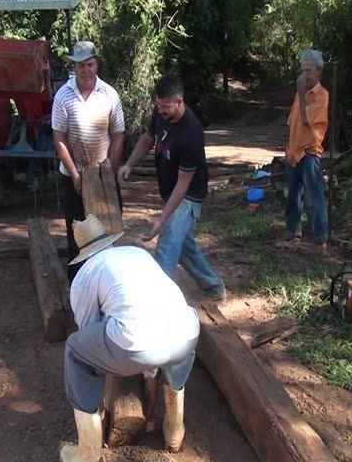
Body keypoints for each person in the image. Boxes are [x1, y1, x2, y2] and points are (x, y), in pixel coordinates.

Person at [60, 215, 199, 461]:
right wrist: (150, 379)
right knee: (176, 328)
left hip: (138, 344)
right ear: (110, 242)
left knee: (74, 349)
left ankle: (87, 452)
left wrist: (100, 401)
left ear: (84, 252)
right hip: (186, 333)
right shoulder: (138, 254)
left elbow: (88, 336)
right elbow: (151, 320)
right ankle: (174, 430)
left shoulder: (86, 273)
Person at [118, 75, 225, 300]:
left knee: (166, 246)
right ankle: (214, 287)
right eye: (158, 105)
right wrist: (129, 164)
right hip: (171, 191)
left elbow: (183, 184)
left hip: (189, 195)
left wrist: (162, 219)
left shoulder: (192, 132)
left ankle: (155, 303)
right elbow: (148, 139)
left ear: (180, 101)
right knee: (184, 246)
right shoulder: (160, 112)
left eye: (166, 106)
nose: (161, 111)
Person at [52, 41, 125, 282]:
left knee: (108, 234)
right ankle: (78, 292)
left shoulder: (109, 94)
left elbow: (117, 134)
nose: (87, 71)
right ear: (74, 66)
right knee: (79, 240)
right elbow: (60, 139)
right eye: (81, 66)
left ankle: (107, 287)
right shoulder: (63, 95)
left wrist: (109, 172)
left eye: (90, 65)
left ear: (97, 64)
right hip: (74, 176)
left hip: (102, 177)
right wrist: (75, 175)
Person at [284, 49, 330, 253]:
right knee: (292, 197)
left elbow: (305, 120)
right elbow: (293, 123)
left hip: (309, 155)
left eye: (309, 71)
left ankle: (321, 241)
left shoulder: (322, 95)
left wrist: (301, 95)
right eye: (302, 70)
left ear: (319, 71)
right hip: (293, 153)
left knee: (314, 199)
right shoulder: (300, 93)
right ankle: (292, 233)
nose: (305, 75)